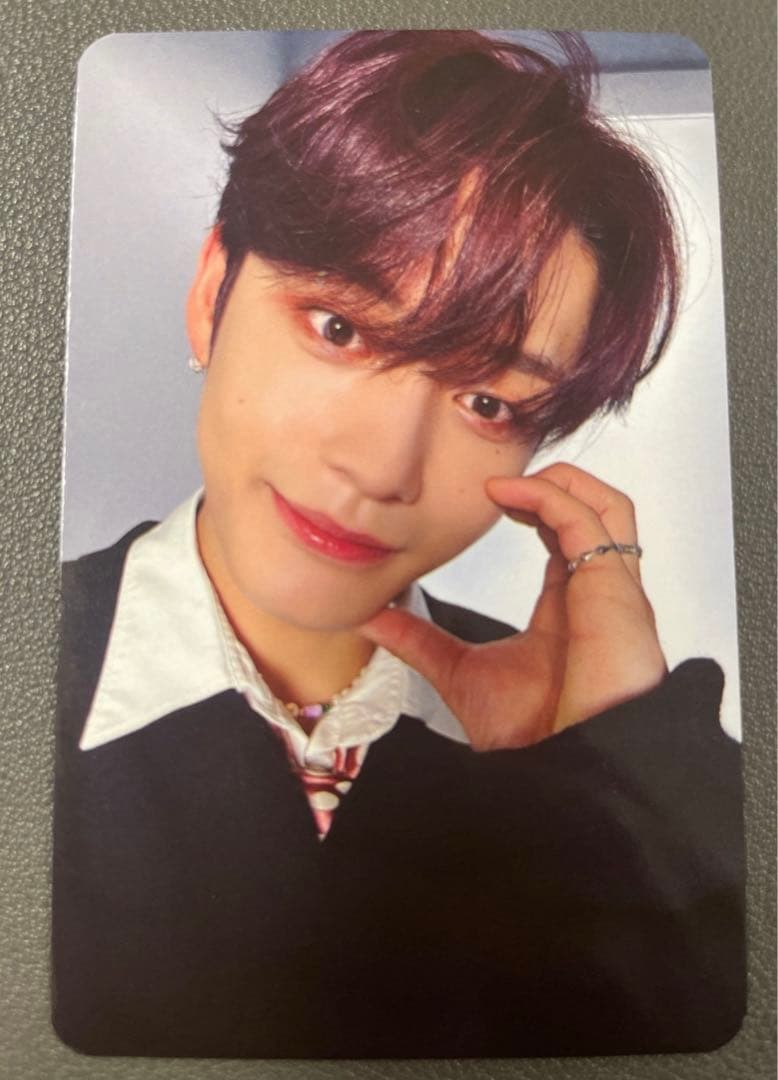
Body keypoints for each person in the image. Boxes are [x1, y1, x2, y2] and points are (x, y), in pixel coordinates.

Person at [52, 30, 744, 1058]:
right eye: (339, 328)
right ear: (211, 295)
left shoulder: (559, 732)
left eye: (488, 401)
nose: (383, 469)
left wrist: (622, 764)